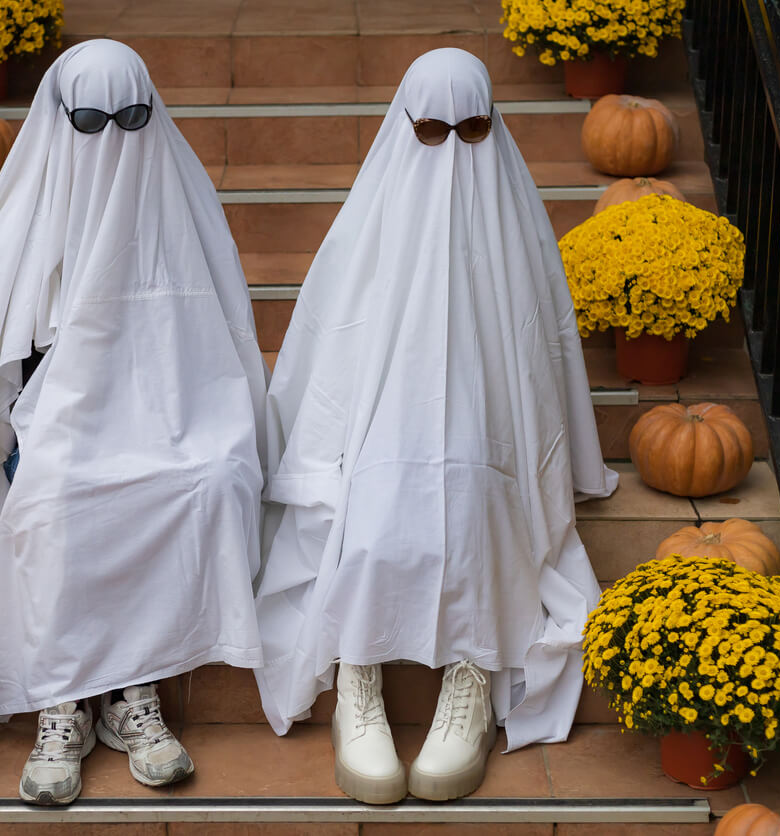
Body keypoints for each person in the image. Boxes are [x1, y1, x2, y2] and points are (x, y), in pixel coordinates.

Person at [0, 40, 268, 806]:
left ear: (153, 115)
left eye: (131, 118)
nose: (113, 138)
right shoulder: (31, 210)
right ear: (60, 119)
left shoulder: (178, 197)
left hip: (175, 412)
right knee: (56, 496)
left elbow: (223, 332)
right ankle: (64, 702)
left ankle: (131, 695)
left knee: (210, 478)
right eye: (92, 120)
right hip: (58, 421)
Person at [252, 48, 618, 804]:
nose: (451, 153)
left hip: (494, 446)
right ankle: (358, 666)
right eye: (430, 133)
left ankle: (471, 672)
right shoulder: (366, 231)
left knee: (481, 514)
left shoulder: (518, 234)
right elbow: (331, 348)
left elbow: (541, 359)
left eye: (473, 129)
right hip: (376, 436)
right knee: (373, 525)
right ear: (403, 128)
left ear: (495, 126)